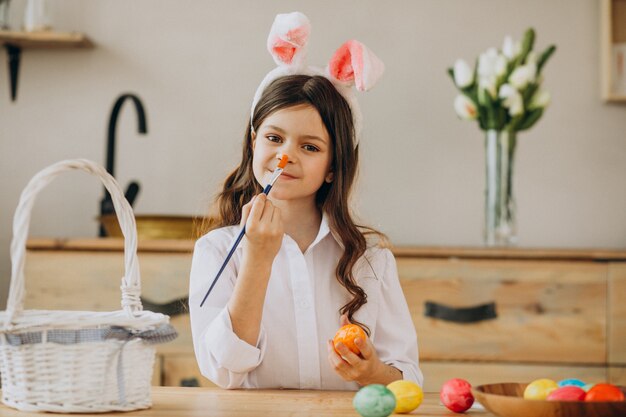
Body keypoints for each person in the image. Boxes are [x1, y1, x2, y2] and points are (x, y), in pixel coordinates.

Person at [189, 11, 422, 390]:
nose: (285, 157)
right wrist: (258, 259)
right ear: (253, 143)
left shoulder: (371, 259)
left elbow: (407, 376)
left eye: (310, 146)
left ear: (333, 167)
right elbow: (222, 371)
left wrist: (372, 373)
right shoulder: (216, 252)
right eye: (274, 138)